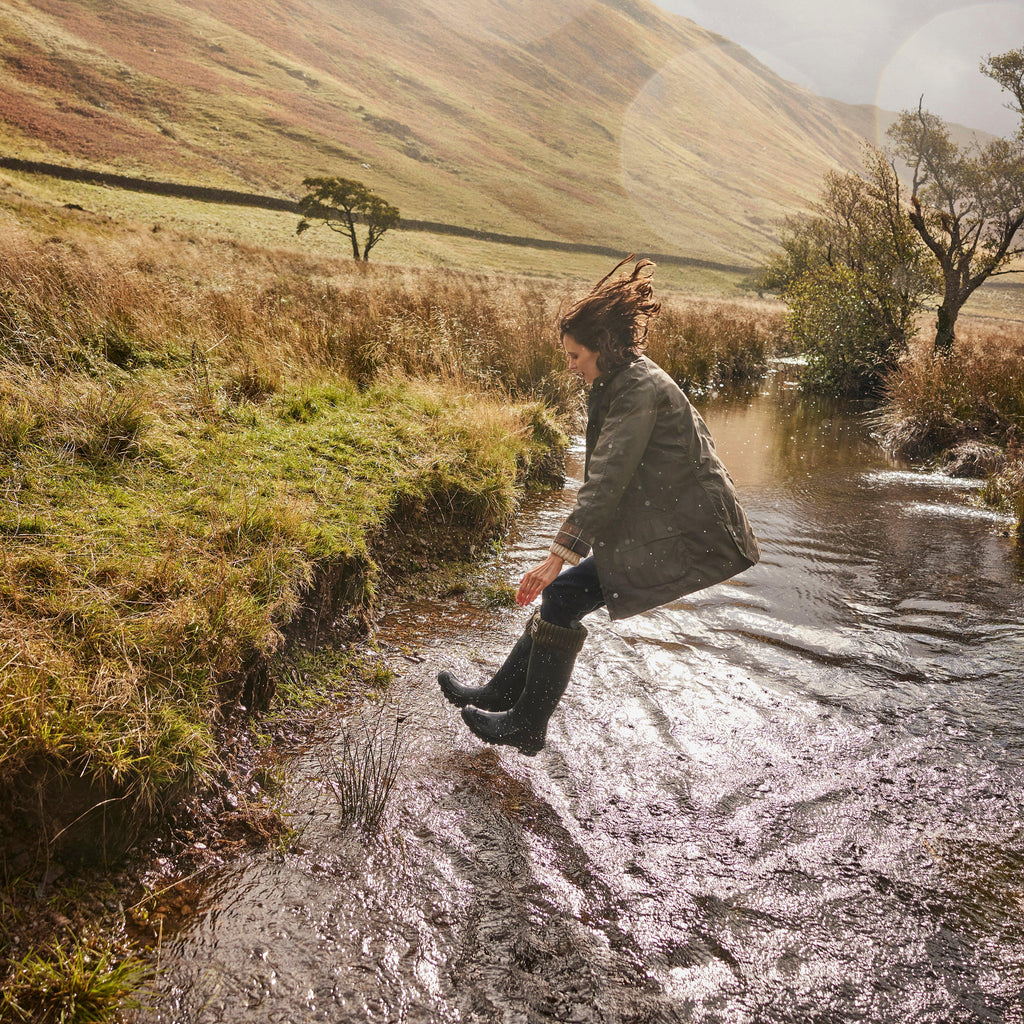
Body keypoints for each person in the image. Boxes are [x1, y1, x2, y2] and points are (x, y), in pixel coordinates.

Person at [438, 256, 760, 755]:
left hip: (694, 533)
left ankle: (526, 724)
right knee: (563, 597)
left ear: (601, 348)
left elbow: (607, 479)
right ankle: (504, 695)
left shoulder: (637, 390)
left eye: (573, 356)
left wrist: (557, 555)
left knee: (562, 595)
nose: (569, 367)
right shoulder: (624, 379)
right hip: (672, 522)